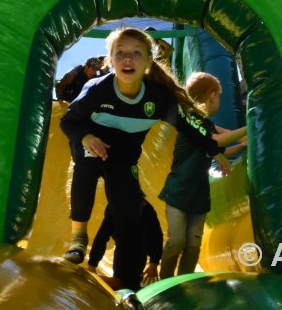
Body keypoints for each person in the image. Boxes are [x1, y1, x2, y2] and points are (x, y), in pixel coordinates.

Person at [59, 27, 230, 291]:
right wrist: (85, 138)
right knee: (87, 168)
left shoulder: (157, 99)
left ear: (149, 61)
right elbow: (69, 120)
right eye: (121, 53)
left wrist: (213, 149)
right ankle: (79, 237)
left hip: (124, 156)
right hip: (92, 142)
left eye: (136, 53)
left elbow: (187, 125)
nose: (128, 58)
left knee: (129, 213)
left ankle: (128, 280)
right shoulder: (97, 90)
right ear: (111, 61)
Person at [158, 72, 247, 278]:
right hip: (178, 192)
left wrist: (244, 143)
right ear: (213, 95)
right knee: (177, 241)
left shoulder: (205, 123)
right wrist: (248, 126)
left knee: (193, 245)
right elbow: (216, 141)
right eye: (220, 98)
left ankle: (184, 283)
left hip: (198, 194)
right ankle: (165, 283)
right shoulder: (190, 119)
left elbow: (219, 146)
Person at [86, 199, 163, 289]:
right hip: (123, 243)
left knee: (126, 284)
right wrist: (92, 264)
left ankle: (93, 282)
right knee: (121, 283)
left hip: (138, 246)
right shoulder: (113, 206)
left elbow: (156, 236)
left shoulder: (146, 210)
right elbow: (102, 236)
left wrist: (154, 263)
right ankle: (91, 282)